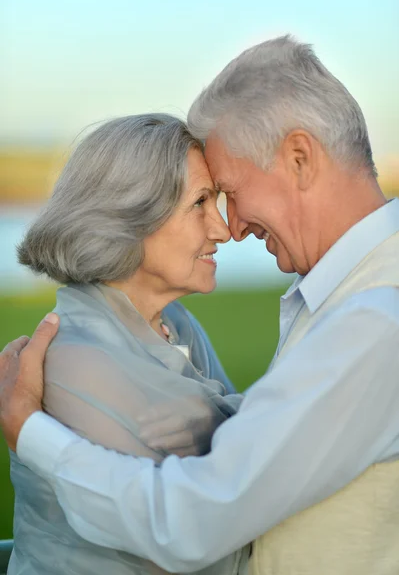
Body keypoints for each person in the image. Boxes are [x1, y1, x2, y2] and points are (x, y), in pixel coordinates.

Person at [2, 34, 399, 575]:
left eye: (230, 192)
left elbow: (187, 522)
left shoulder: (375, 319)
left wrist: (28, 430)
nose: (230, 227)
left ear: (299, 159)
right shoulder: (348, 297)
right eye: (206, 202)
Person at [1, 113, 249, 575]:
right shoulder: (76, 358)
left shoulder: (177, 322)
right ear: (131, 217)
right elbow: (185, 534)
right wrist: (225, 425)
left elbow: (245, 456)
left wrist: (212, 425)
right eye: (200, 202)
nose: (222, 229)